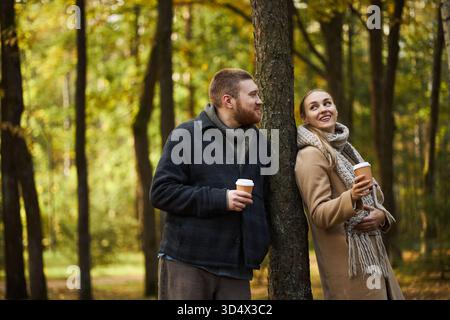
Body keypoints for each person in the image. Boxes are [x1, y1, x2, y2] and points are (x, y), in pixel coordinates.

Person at [150, 68, 270, 300]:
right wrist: (221, 199)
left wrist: (260, 243)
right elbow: (161, 192)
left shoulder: (260, 143)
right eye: (253, 95)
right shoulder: (187, 135)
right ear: (229, 101)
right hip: (188, 263)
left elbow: (267, 200)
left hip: (237, 269)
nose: (259, 100)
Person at [294, 89, 404, 300]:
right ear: (305, 118)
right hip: (349, 262)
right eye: (314, 107)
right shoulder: (311, 155)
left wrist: (382, 217)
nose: (323, 109)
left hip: (374, 256)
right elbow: (318, 214)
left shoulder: (345, 150)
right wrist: (352, 197)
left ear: (335, 108)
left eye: (327, 103)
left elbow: (371, 198)